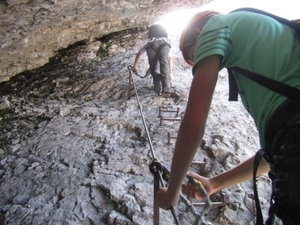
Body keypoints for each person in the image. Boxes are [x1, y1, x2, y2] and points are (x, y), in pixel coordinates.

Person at [156, 9, 300, 224]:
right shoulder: (267, 40)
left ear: (196, 33)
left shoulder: (215, 26)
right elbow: (272, 155)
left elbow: (193, 126)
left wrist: (172, 193)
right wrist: (214, 184)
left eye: (192, 56)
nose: (196, 61)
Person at [132, 24, 172, 95]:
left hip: (151, 45)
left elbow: (139, 54)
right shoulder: (166, 42)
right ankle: (166, 87)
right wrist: (170, 73)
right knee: (163, 63)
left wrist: (134, 66)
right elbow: (170, 59)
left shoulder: (147, 44)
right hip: (164, 44)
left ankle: (157, 88)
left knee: (153, 68)